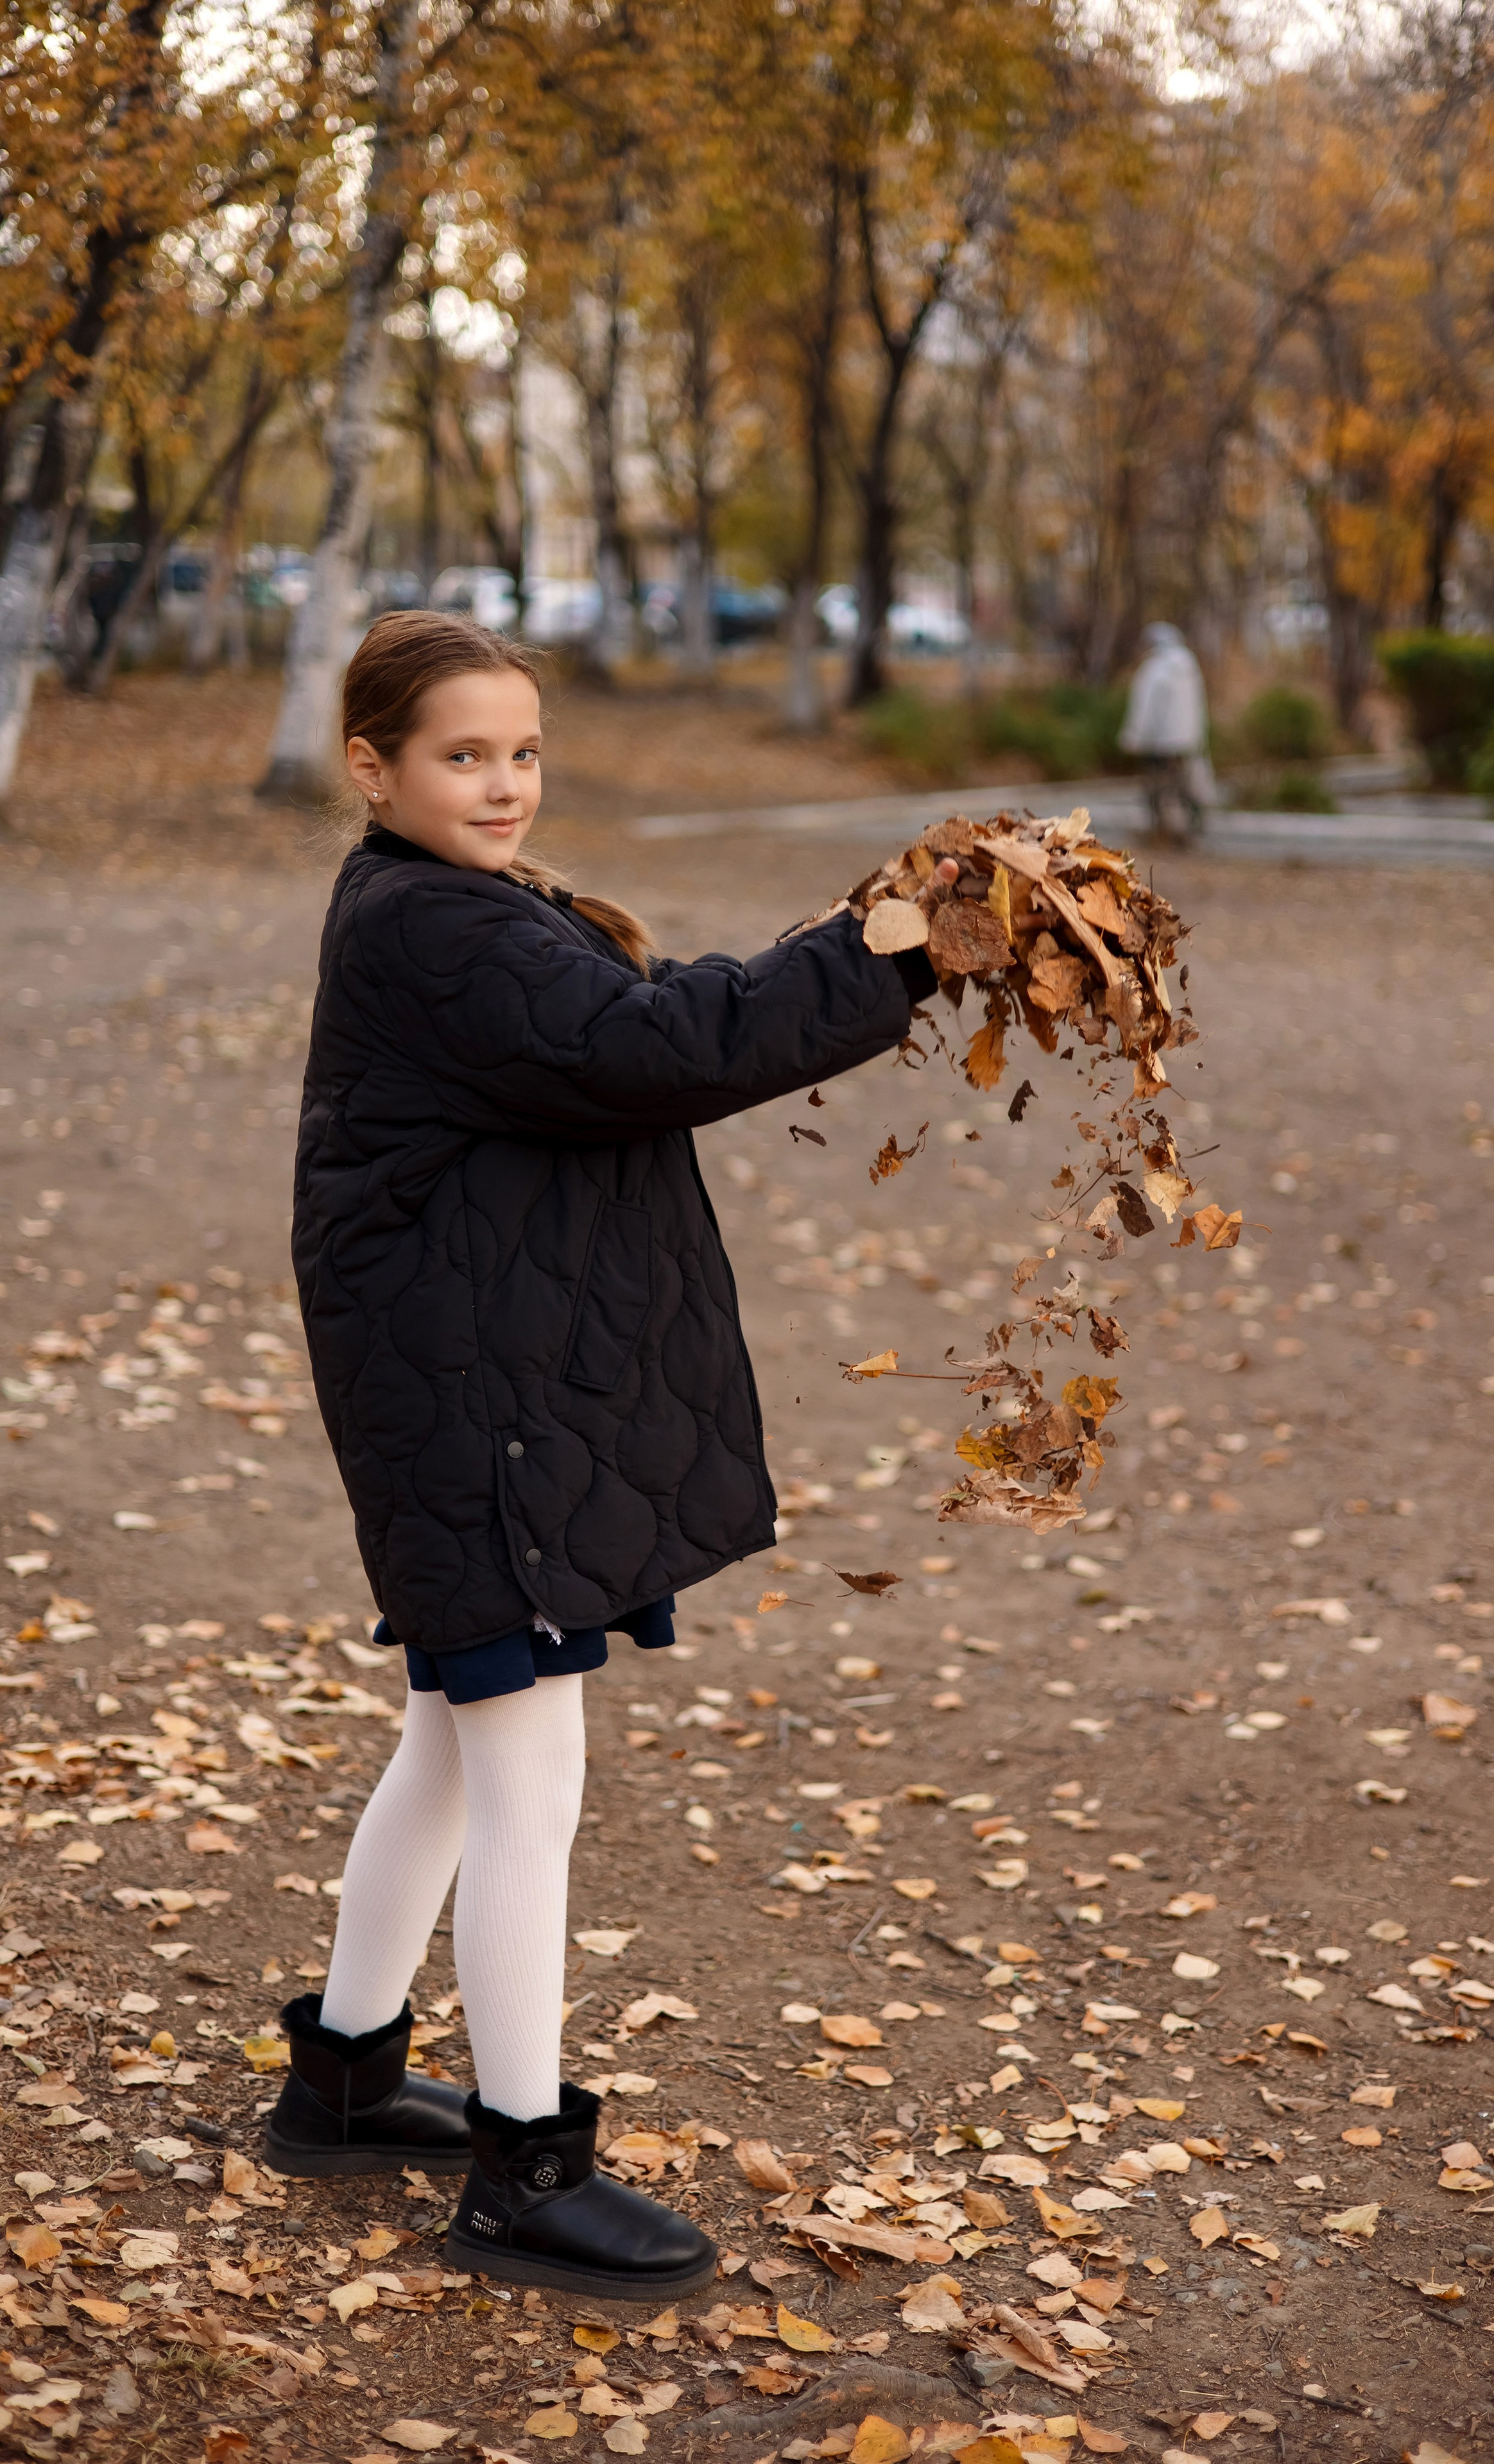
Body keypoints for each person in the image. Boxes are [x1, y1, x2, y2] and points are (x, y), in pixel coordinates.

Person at [268, 609, 949, 2302]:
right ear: (375, 770)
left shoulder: (455, 906)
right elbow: (656, 1053)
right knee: (526, 1783)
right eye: (462, 757)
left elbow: (634, 1022)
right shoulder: (434, 929)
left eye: (522, 753)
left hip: (471, 1380)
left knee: (451, 1730)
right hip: (470, 1401)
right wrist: (885, 959)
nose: (503, 785)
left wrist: (847, 941)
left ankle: (345, 2080)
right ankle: (523, 2167)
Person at [1118, 620, 1211, 843]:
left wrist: (1133, 738)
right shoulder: (1191, 667)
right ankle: (1187, 826)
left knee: (1159, 787)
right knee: (1183, 783)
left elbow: (1145, 707)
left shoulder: (1155, 669)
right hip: (1186, 741)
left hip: (1159, 743)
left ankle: (1164, 830)